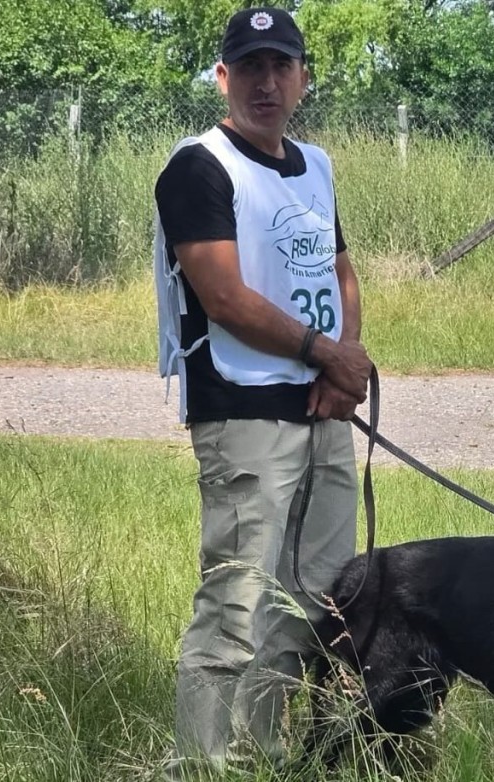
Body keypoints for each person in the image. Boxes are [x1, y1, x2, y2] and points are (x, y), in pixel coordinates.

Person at [151, 6, 372, 777]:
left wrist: (345, 364)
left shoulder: (314, 165)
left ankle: (266, 753)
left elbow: (338, 272)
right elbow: (224, 296)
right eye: (249, 67)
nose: (266, 81)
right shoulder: (199, 167)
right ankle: (206, 764)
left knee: (313, 602)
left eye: (282, 65)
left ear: (303, 78)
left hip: (322, 410)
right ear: (222, 77)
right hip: (244, 414)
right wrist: (326, 355)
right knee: (237, 606)